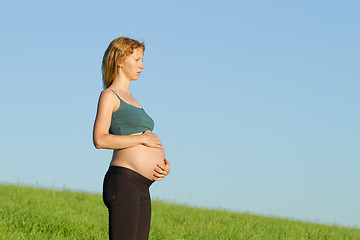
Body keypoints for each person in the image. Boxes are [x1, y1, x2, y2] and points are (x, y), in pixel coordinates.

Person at [93, 37, 170, 240]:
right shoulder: (109, 95)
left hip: (142, 185)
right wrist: (141, 141)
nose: (142, 66)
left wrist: (162, 167)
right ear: (120, 60)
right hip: (123, 181)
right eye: (137, 60)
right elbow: (100, 139)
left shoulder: (134, 100)